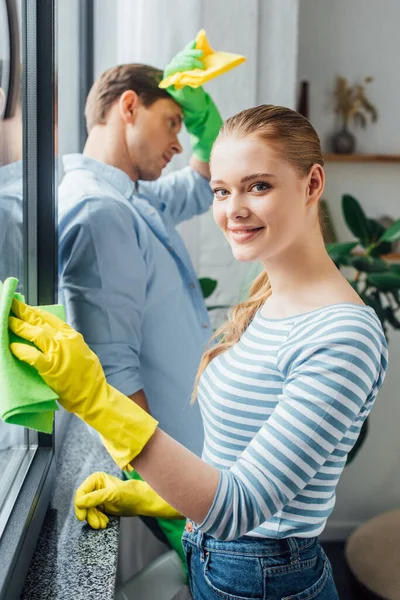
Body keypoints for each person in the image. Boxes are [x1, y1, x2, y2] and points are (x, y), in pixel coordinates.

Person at [10, 105, 388, 600]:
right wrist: (158, 495)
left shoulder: (343, 336)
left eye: (258, 186)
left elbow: (241, 507)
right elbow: (238, 459)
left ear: (312, 183)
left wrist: (96, 399)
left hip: (265, 581)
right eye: (221, 190)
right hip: (219, 558)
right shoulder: (268, 298)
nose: (233, 210)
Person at [57, 40, 223, 564]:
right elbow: (113, 372)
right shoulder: (98, 210)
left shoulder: (131, 195)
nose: (179, 141)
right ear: (128, 107)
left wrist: (209, 130)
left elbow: (200, 188)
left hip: (196, 467)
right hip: (182, 479)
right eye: (173, 123)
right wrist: (173, 493)